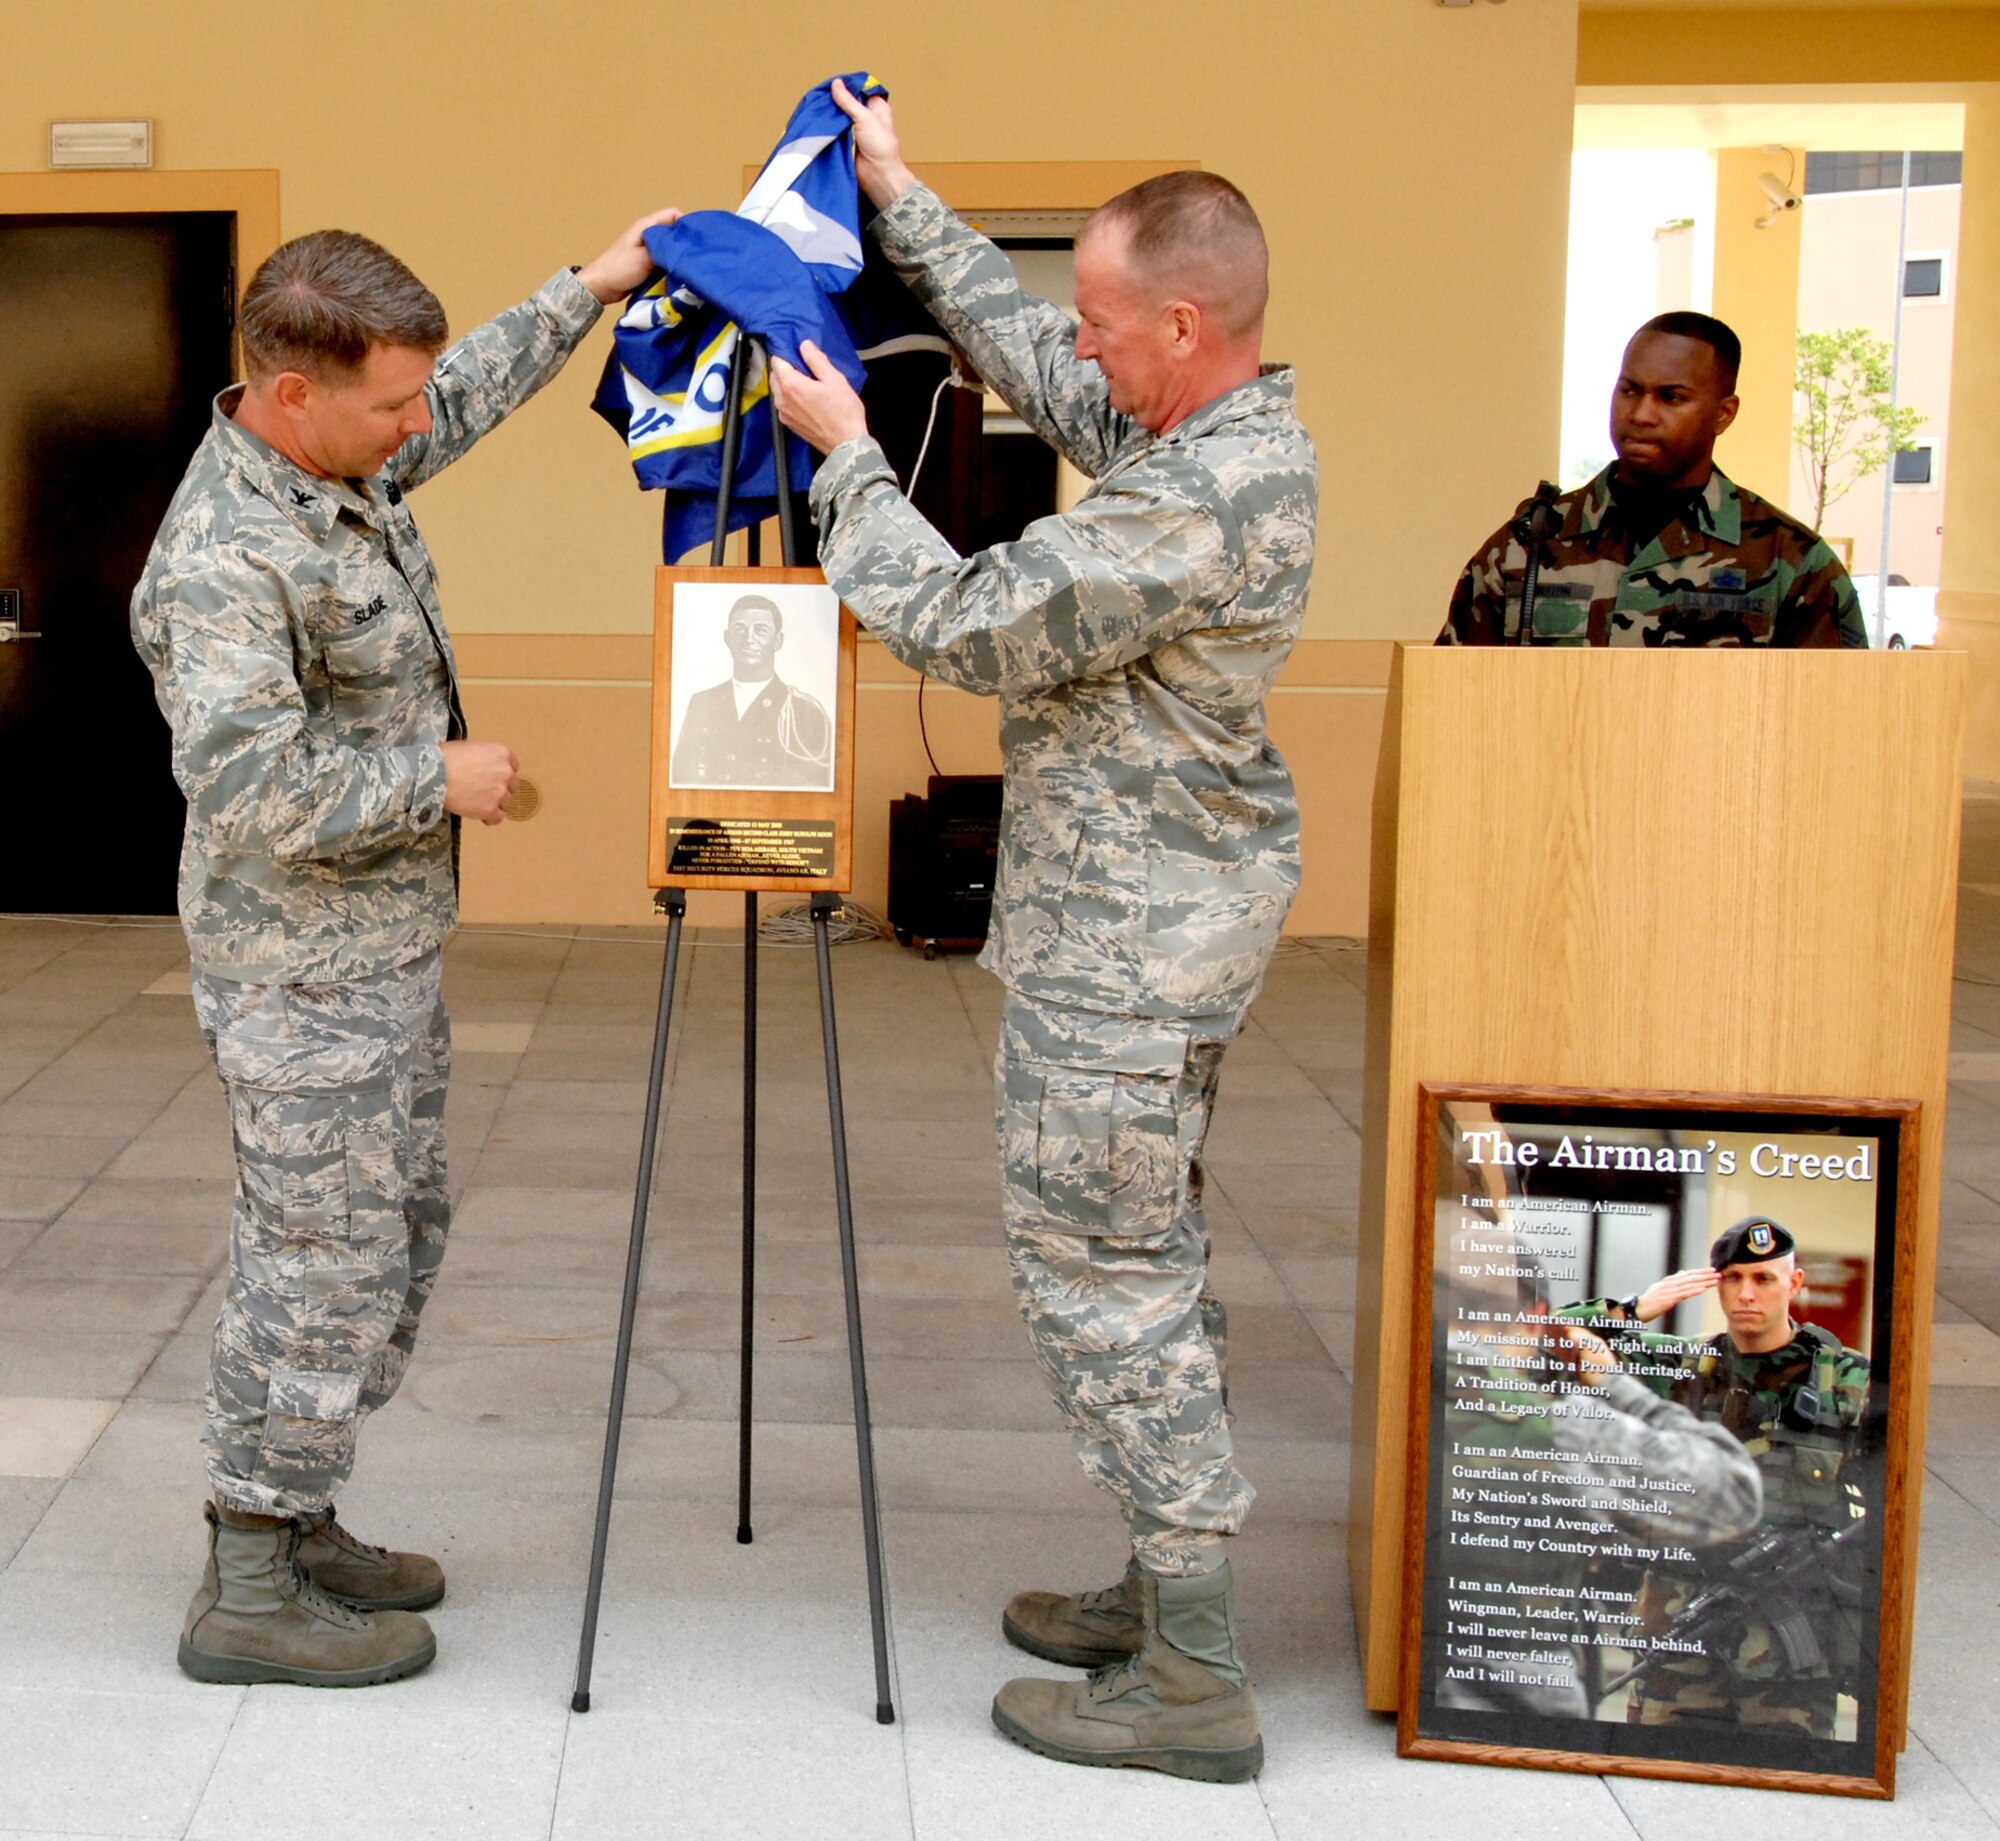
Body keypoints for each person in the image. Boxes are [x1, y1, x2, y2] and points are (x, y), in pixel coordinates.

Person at [770, 81, 1317, 1784]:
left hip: (1126, 963)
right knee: (1137, 1259)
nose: (1076, 350)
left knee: (1111, 1285)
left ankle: (1196, 1673)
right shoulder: (1187, 429)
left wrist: (848, 461)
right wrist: (897, 194)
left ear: (1181, 319)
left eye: (1103, 316)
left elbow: (965, 622)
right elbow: (1030, 350)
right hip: (1151, 933)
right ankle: (1162, 1593)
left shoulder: (1190, 501)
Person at [130, 210, 676, 1688]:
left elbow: (470, 385)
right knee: (317, 1258)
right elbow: (244, 789)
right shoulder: (224, 556)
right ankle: (248, 1575)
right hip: (298, 970)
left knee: (388, 1239)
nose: (417, 423)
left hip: (375, 950)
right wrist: (437, 777)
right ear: (291, 391)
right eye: (391, 402)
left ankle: (298, 1510)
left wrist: (590, 286)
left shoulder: (339, 464)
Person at [1570, 1215, 1873, 1736]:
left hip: (1791, 1663)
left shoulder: (1847, 1382)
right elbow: (1545, 1341)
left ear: (1794, 1284)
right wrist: (1637, 1309)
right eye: (1731, 1278)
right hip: (1679, 1642)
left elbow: (1899, 1500)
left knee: (1786, 1786)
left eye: (1763, 1279)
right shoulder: (1681, 1370)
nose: (1746, 1294)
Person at [1434, 1246, 1762, 1722]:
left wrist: (1623, 1312)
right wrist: (1614, 1383)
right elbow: (1732, 1491)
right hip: (1514, 1713)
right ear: (1539, 1320)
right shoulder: (1559, 1429)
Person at [1438, 312, 1868, 648]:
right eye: (1630, 390)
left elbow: (1832, 722)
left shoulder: (1789, 562)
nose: (1641, 414)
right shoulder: (1528, 546)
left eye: (1671, 397)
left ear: (1724, 413)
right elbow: (1450, 702)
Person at [670, 591, 833, 788]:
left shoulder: (803, 710)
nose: (749, 639)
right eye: (739, 629)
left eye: (761, 630)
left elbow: (814, 785)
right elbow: (682, 775)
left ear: (778, 641)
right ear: (727, 638)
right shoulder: (703, 703)